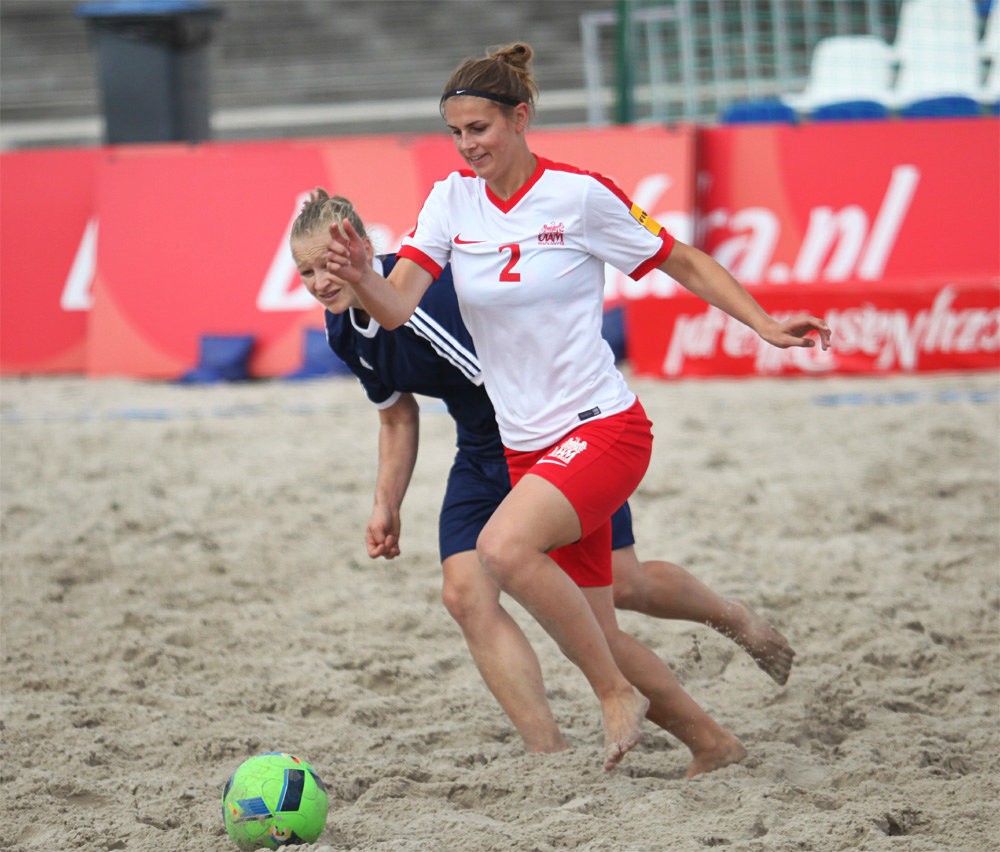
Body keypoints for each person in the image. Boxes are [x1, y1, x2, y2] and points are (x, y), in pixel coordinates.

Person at [323, 42, 831, 773]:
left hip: (603, 427)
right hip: (525, 444)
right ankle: (714, 745)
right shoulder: (450, 200)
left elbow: (682, 260)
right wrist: (362, 276)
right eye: (456, 132)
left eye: (480, 129)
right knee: (604, 629)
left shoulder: (579, 196)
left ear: (520, 117)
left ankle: (614, 694)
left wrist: (764, 323)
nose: (468, 146)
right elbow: (398, 307)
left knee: (503, 550)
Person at [291, 190, 797, 764]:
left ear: (362, 247)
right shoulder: (341, 329)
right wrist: (386, 502)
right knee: (464, 594)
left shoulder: (425, 302)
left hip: (551, 436)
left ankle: (733, 623)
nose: (320, 281)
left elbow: (516, 371)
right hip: (481, 449)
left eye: (330, 263)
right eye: (306, 271)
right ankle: (547, 753)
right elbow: (397, 415)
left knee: (622, 588)